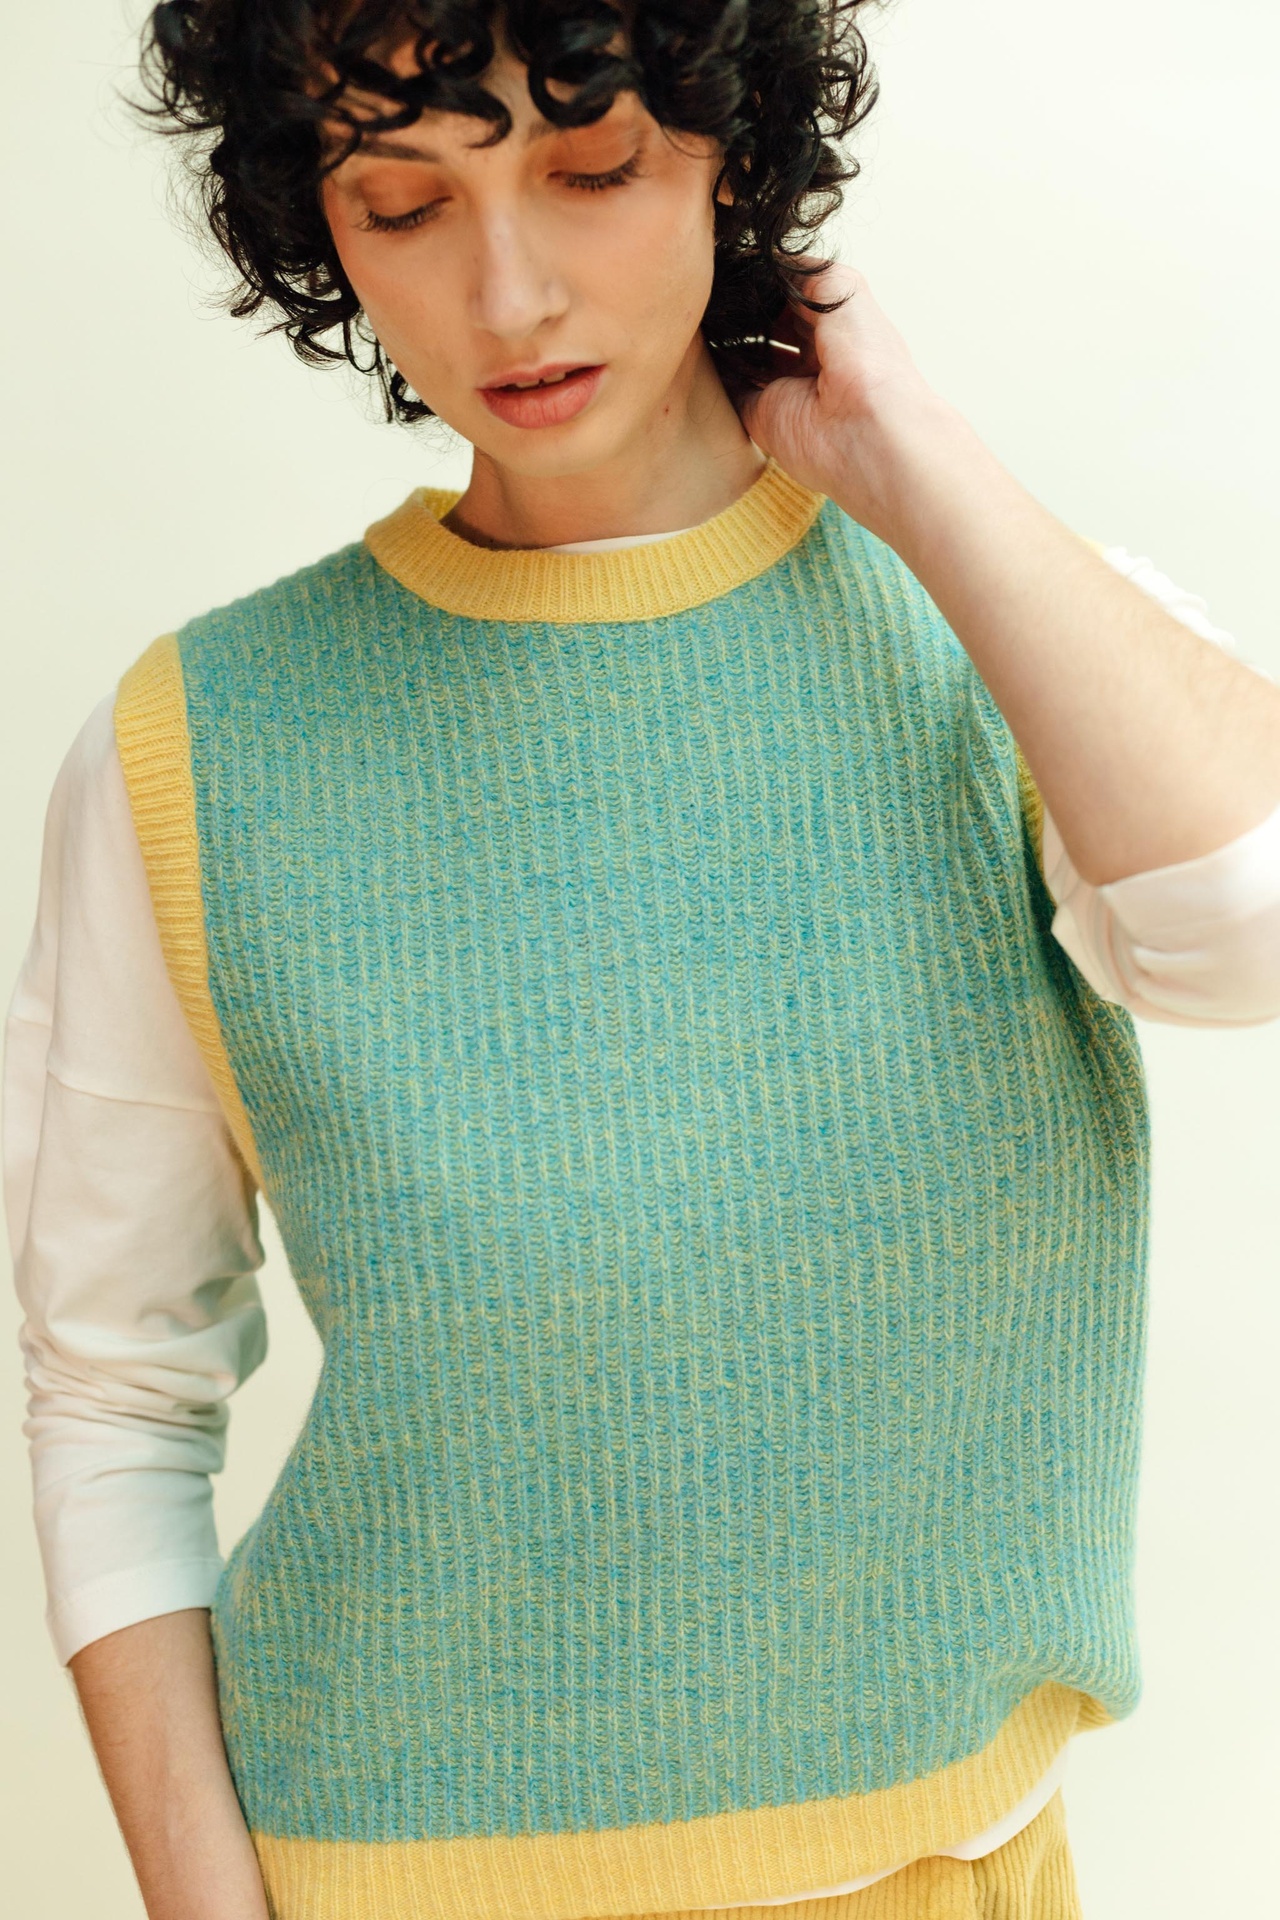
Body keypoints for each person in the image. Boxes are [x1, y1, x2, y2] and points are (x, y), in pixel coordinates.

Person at [6, 2, 1280, 1917]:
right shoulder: (200, 746)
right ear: (314, 225)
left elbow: (1247, 932)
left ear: (731, 153)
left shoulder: (994, 640)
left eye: (590, 170)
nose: (508, 294)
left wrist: (908, 457)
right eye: (402, 205)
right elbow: (115, 1395)